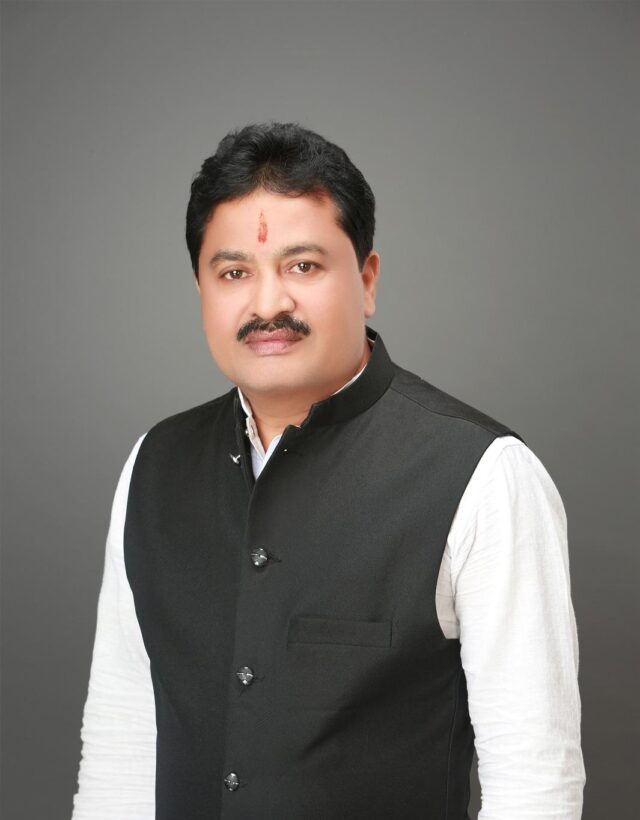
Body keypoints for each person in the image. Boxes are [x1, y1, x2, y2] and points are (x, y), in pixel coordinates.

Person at [71, 121, 586, 819]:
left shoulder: (485, 477)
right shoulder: (153, 466)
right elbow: (123, 743)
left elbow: (534, 781)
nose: (267, 305)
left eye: (303, 266)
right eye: (234, 273)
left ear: (366, 280)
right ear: (201, 289)